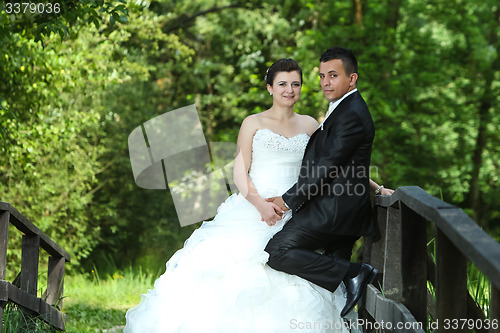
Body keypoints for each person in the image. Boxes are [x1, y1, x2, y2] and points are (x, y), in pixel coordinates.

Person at [124, 58, 391, 333]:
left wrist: (377, 188)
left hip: (298, 209)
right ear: (269, 88)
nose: (290, 90)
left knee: (289, 261)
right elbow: (240, 173)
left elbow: (336, 165)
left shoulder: (311, 125)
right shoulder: (253, 122)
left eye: (296, 84)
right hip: (256, 207)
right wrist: (259, 204)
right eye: (282, 84)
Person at [265, 47, 387, 318]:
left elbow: (327, 166)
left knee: (277, 251)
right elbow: (345, 163)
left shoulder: (352, 113)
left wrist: (287, 200)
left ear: (352, 79)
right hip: (339, 209)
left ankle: (357, 272)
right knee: (332, 297)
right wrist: (376, 186)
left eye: (333, 75)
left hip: (334, 211)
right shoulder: (344, 108)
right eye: (321, 76)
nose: (325, 82)